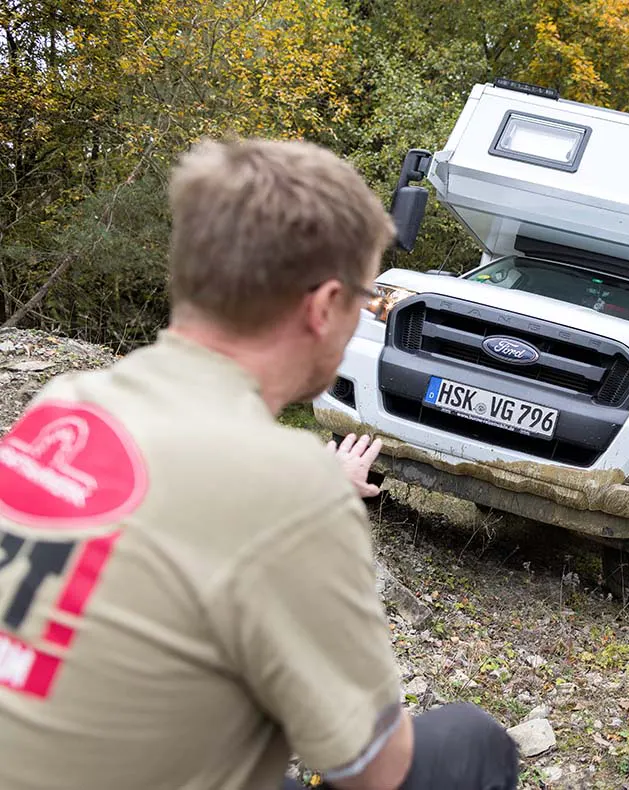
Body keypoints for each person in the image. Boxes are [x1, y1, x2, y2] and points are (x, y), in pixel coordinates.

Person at [0, 138, 519, 790]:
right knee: (469, 742)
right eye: (365, 299)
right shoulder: (289, 491)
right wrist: (314, 508)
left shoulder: (65, 407)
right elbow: (375, 771)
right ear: (324, 306)